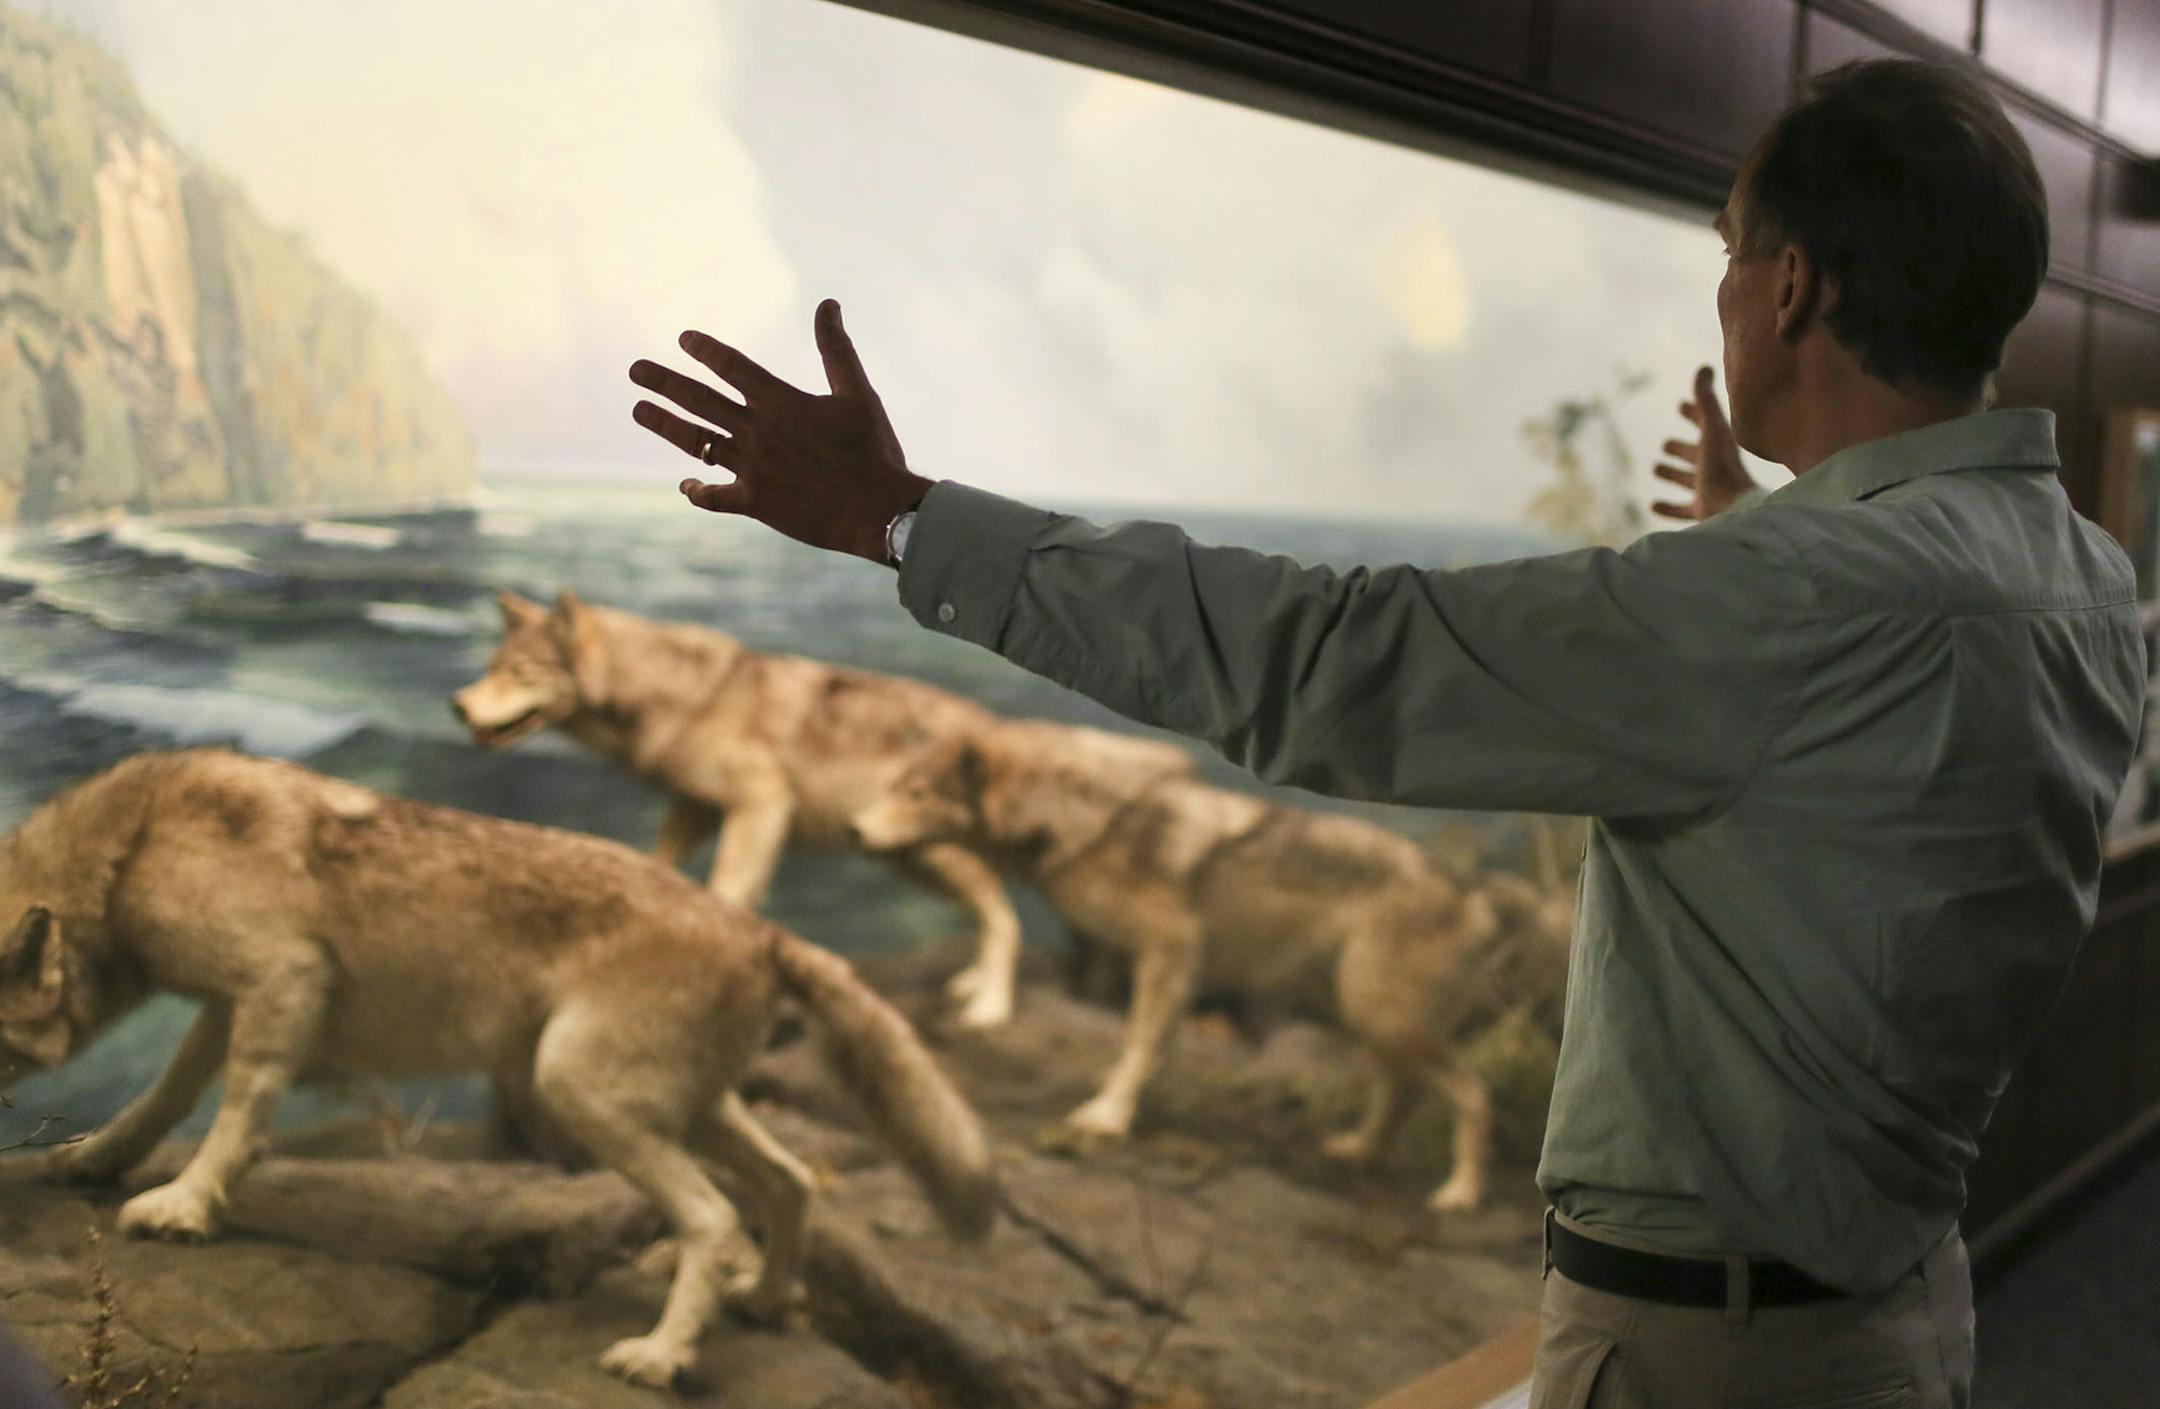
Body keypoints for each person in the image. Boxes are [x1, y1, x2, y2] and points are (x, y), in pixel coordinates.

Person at [626, 57, 2145, 1409]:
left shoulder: (1789, 607)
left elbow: (1334, 657)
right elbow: (1871, 781)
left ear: (1793, 286)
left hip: (1714, 1360)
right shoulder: (2078, 576)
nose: (1730, 292)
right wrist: (1762, 537)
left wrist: (902, 519)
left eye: (1732, 255)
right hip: (1902, 1314)